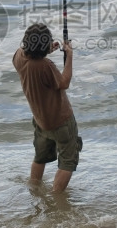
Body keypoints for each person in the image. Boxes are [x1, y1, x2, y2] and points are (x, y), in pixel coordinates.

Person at [12, 22, 82, 194]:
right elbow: (63, 83)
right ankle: (56, 198)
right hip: (61, 121)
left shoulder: (18, 56)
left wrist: (44, 50)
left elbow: (33, 60)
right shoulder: (45, 65)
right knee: (67, 161)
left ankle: (34, 189)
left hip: (40, 121)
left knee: (40, 157)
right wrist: (70, 55)